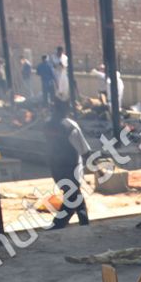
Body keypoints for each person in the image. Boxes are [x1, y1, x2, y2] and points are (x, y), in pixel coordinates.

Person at [42, 98, 91, 228]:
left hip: (55, 168)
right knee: (73, 198)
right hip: (71, 168)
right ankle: (58, 225)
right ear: (66, 110)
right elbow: (84, 149)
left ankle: (84, 223)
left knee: (74, 195)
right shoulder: (70, 126)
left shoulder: (47, 124)